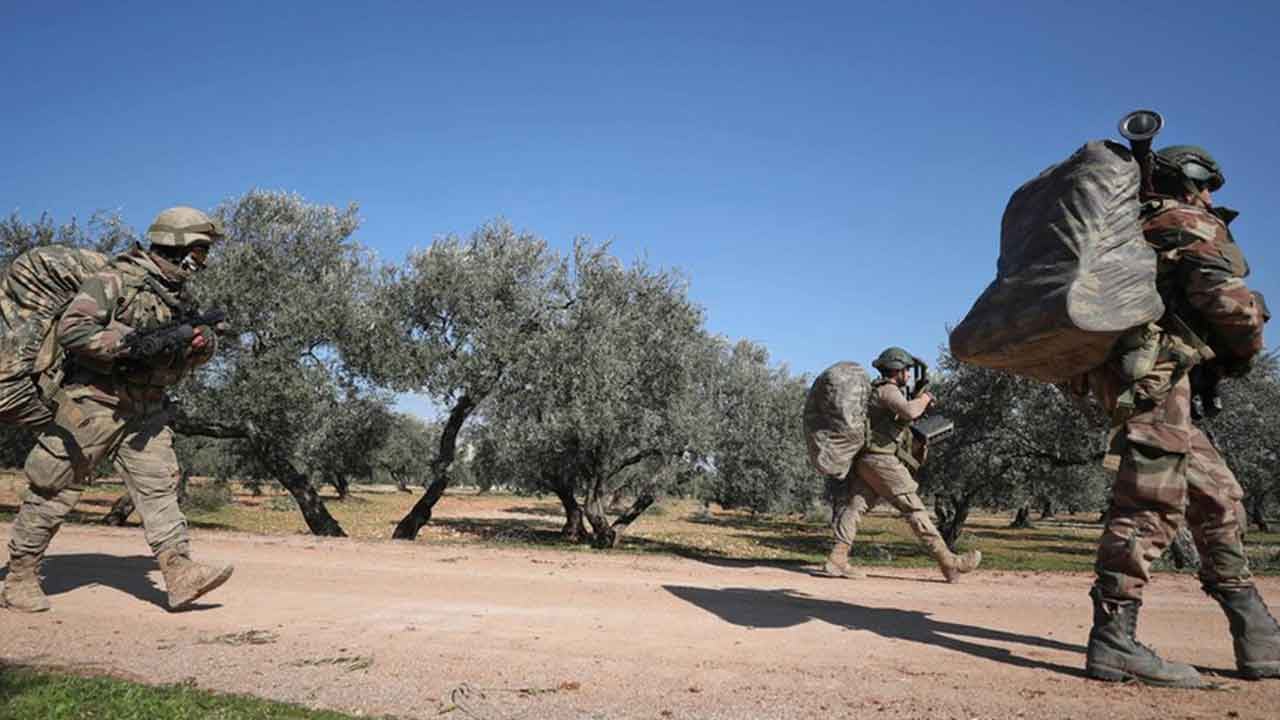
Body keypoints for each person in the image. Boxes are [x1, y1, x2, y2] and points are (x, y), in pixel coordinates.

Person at [1073, 145, 1277, 686]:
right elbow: (1232, 307)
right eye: (1206, 183)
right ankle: (1114, 641)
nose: (1210, 196)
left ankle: (1256, 632)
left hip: (1144, 377)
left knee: (1218, 495)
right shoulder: (1184, 221)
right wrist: (1243, 349)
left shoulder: (1127, 228)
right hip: (1155, 379)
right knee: (1150, 503)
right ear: (1186, 180)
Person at [1, 206, 233, 613]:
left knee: (159, 488)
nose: (203, 260)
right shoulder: (116, 279)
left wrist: (199, 345)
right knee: (53, 488)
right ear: (180, 245)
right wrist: (132, 343)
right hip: (93, 404)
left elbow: (185, 353)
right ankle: (20, 576)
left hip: (146, 410)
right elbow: (75, 329)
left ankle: (179, 572)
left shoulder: (176, 295)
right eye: (200, 250)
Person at [823, 346, 982, 583]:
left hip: (868, 459)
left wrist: (918, 400)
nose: (908, 374)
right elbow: (909, 412)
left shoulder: (880, 391)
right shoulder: (887, 390)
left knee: (856, 506)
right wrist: (924, 399)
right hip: (882, 460)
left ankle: (837, 557)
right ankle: (950, 562)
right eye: (906, 370)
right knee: (913, 508)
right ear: (896, 370)